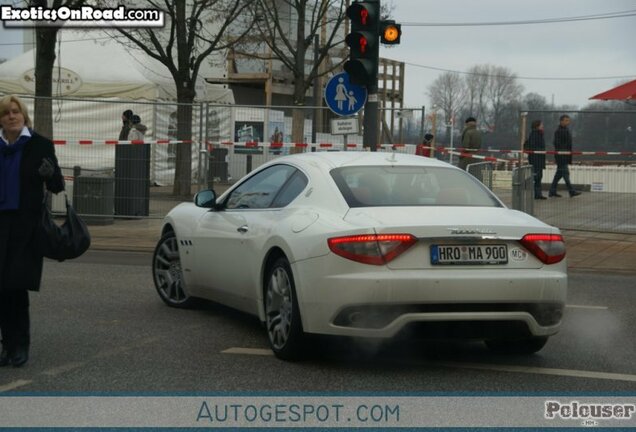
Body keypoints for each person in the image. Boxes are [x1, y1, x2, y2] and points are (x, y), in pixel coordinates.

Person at [0, 95, 65, 368]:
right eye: (5, 113)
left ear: (24, 116)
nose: (11, 116)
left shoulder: (40, 145)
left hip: (25, 227)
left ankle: (21, 345)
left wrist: (49, 174)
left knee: (17, 285)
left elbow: (58, 186)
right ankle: (8, 347)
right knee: (1, 289)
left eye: (16, 112)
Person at [548, 114, 581, 198]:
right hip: (561, 156)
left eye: (568, 120)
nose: (568, 122)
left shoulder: (565, 130)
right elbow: (557, 143)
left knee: (559, 174)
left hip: (565, 155)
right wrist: (563, 151)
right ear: (561, 121)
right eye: (566, 120)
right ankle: (571, 191)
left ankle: (552, 191)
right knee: (565, 173)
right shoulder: (559, 131)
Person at [526, 120, 547, 199]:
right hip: (536, 159)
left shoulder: (539, 134)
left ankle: (538, 194)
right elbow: (533, 146)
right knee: (537, 177)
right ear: (537, 126)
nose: (543, 126)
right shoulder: (535, 134)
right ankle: (537, 194)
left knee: (539, 176)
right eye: (541, 125)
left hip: (539, 158)